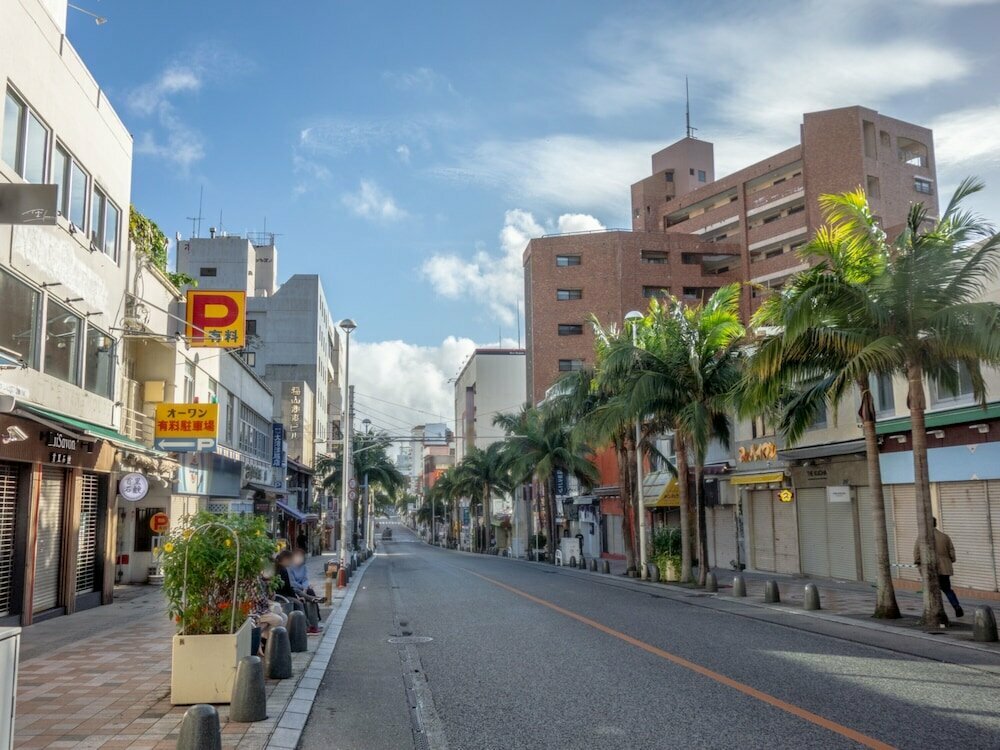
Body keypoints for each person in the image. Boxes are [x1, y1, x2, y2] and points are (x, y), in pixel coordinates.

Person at [914, 518, 963, 618]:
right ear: (935, 524)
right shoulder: (945, 537)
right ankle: (956, 606)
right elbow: (952, 553)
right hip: (945, 567)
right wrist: (949, 561)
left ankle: (934, 611)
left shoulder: (922, 537)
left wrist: (918, 562)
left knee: (931, 590)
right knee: (947, 589)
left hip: (930, 567)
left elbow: (917, 552)